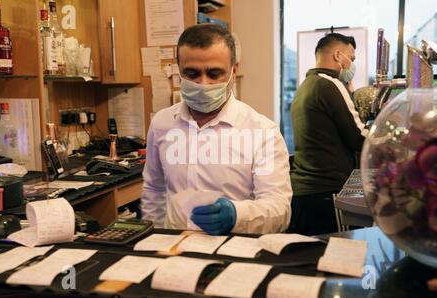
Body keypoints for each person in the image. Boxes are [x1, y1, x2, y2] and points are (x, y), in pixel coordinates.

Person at [141, 23, 292, 235]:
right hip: (175, 250)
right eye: (191, 73)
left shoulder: (262, 132)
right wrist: (156, 237)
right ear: (179, 71)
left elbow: (279, 209)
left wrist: (237, 215)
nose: (203, 84)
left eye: (214, 73)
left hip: (235, 251)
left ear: (233, 71)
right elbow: (154, 190)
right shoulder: (162, 123)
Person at [289, 33, 367, 235]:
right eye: (352, 58)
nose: (352, 64)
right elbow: (360, 138)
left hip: (305, 195)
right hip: (326, 194)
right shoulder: (329, 84)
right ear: (338, 55)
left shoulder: (307, 85)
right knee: (339, 259)